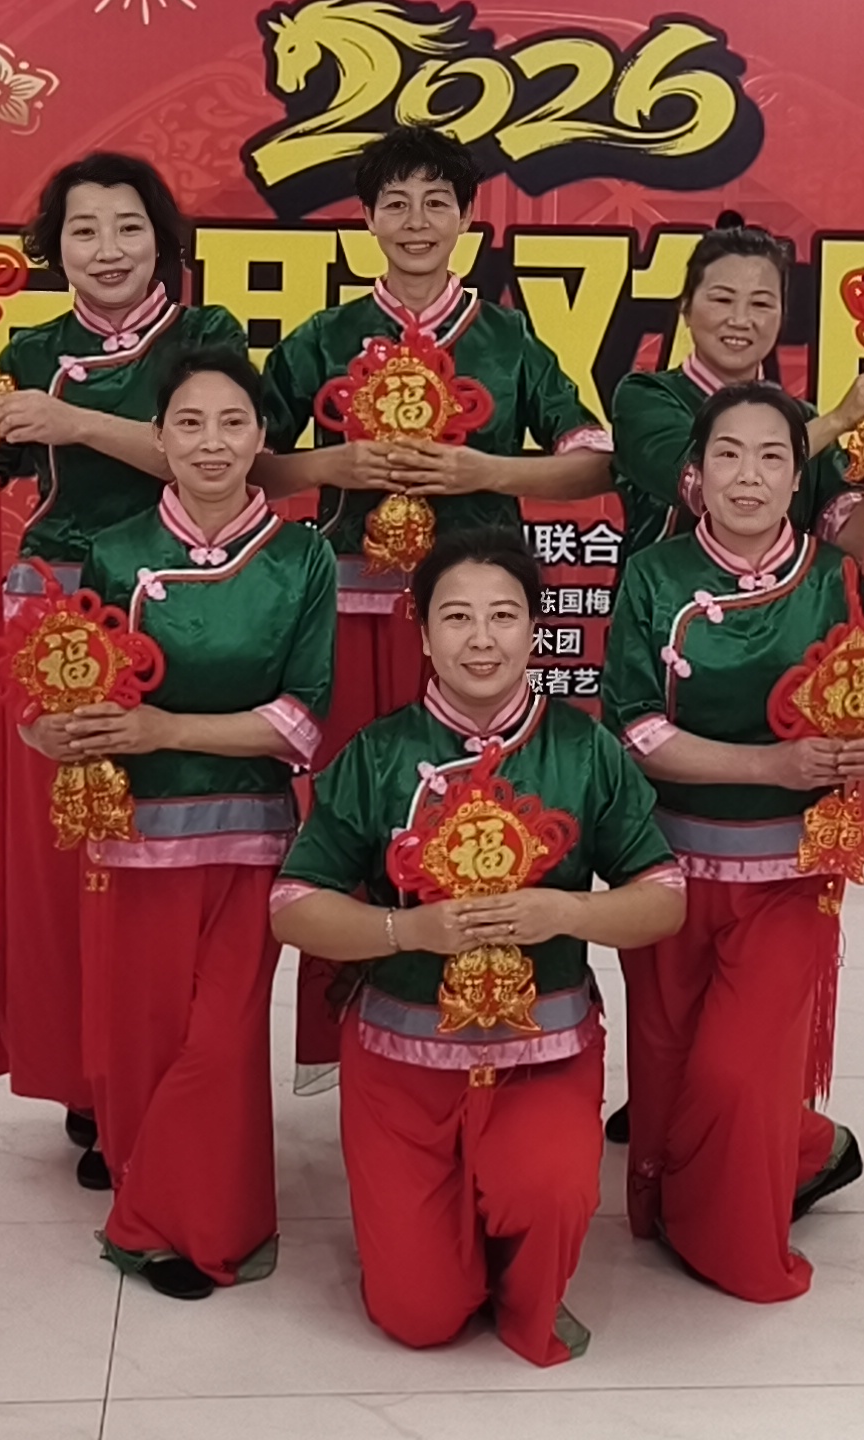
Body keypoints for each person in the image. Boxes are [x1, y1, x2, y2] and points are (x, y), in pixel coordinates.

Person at [0, 150, 249, 1183]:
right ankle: (87, 1076)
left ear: (163, 240)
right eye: (83, 230)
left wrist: (76, 421)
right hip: (54, 623)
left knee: (164, 853)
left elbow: (227, 465)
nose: (108, 249)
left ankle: (167, 1067)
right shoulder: (28, 349)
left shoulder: (207, 338)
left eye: (129, 227)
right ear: (54, 249)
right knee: (70, 859)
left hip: (188, 604)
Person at [270, 534, 684, 1365]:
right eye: (457, 618)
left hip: (541, 1052)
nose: (482, 639)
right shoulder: (379, 753)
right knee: (419, 1316)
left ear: (536, 630)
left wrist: (562, 912)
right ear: (423, 634)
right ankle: (445, 1241)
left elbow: (665, 899)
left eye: (504, 616)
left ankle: (519, 1252)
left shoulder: (584, 750)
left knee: (546, 1193)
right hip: (404, 1057)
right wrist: (405, 931)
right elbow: (292, 907)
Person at [260, 126, 614, 1074]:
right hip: (351, 614)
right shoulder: (326, 338)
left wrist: (482, 470)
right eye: (395, 203)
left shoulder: (507, 339)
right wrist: (332, 464)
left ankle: (480, 1008)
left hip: (472, 624)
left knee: (481, 805)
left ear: (468, 220)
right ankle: (352, 1036)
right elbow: (245, 459)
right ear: (366, 219)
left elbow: (592, 462)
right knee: (352, 811)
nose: (416, 221)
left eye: (436, 203)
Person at [602, 380, 864, 1299]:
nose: (749, 475)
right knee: (666, 1060)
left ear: (799, 477)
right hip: (667, 868)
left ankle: (731, 1239)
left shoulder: (833, 578)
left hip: (790, 874)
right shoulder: (654, 577)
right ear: (694, 475)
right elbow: (634, 729)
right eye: (728, 455)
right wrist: (769, 764)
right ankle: (754, 1170)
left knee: (736, 1071)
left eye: (773, 456)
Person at [61, 348, 337, 1299]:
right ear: (160, 437)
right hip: (134, 834)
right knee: (145, 1037)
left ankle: (205, 1226)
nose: (211, 443)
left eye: (232, 423)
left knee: (222, 1039)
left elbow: (300, 719)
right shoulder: (116, 551)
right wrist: (57, 722)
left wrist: (165, 728)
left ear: (262, 438)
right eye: (188, 423)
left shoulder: (301, 556)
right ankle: (153, 1206)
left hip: (251, 837)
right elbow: (84, 688)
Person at [601, 217, 864, 553]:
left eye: (760, 304)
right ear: (685, 308)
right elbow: (706, 485)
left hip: (784, 591)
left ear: (782, 315)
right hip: (665, 590)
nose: (740, 320)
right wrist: (838, 419)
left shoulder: (803, 419)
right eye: (722, 300)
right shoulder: (647, 398)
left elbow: (854, 548)